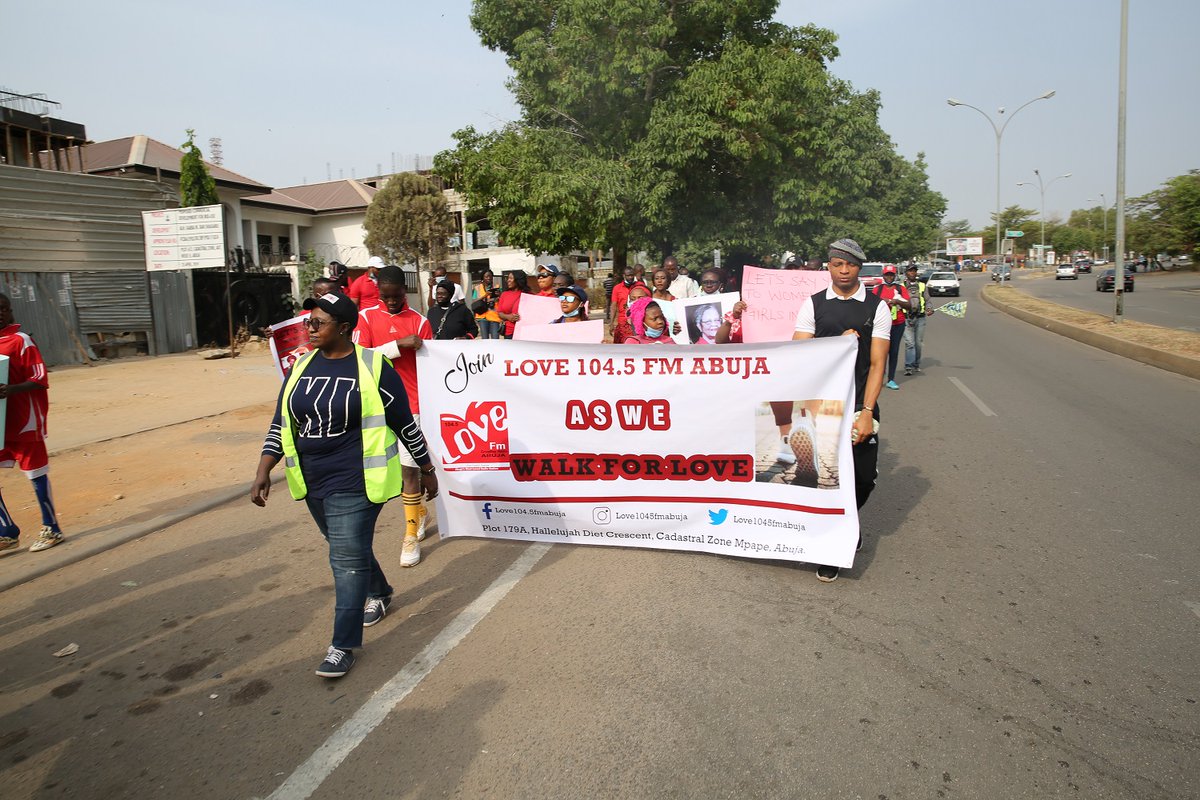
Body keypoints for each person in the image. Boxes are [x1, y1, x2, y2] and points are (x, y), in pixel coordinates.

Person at [251, 291, 437, 679]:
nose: (309, 328)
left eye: (318, 322)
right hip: (311, 480)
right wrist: (263, 469)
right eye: (308, 321)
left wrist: (426, 467)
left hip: (357, 480)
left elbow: (403, 422)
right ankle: (380, 591)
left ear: (345, 328)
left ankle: (342, 645)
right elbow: (281, 422)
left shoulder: (373, 366)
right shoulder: (301, 366)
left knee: (345, 560)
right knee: (344, 546)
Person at [792, 238, 889, 582]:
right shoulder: (813, 304)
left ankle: (850, 520)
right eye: (837, 264)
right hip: (822, 405)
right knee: (825, 479)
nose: (844, 271)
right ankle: (832, 546)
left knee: (863, 478)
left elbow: (877, 365)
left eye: (850, 265)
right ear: (829, 267)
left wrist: (868, 411)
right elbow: (800, 353)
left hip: (859, 403)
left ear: (859, 267)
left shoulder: (877, 307)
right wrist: (836, 343)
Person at [353, 266, 433, 568]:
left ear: (405, 291)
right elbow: (358, 359)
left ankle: (410, 534)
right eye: (385, 296)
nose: (391, 302)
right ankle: (419, 512)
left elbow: (431, 367)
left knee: (410, 471)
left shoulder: (420, 322)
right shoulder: (365, 318)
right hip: (374, 406)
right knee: (389, 473)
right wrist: (397, 346)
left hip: (412, 406)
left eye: (396, 296)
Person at [0, 295, 62, 552]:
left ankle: (52, 527)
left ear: (10, 311)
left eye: (3, 309)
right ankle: (6, 531)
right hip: (1, 422)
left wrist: (11, 389)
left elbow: (39, 378)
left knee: (36, 473)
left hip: (24, 421)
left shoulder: (21, 340)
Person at [872, 265, 911, 389]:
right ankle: (879, 377)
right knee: (880, 352)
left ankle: (891, 379)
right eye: (887, 275)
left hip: (898, 324)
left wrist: (897, 301)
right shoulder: (877, 290)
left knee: (893, 351)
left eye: (891, 275)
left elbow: (909, 305)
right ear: (883, 276)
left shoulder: (900, 289)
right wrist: (882, 301)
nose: (889, 277)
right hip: (881, 325)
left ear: (895, 276)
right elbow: (870, 306)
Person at [901, 264, 932, 376]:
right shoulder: (901, 286)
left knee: (918, 343)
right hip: (906, 318)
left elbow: (928, 300)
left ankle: (916, 364)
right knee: (910, 343)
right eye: (910, 271)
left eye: (914, 271)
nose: (912, 273)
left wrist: (929, 308)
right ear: (906, 273)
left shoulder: (922, 286)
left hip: (920, 318)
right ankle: (908, 366)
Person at [471, 269, 502, 340]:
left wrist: (500, 295)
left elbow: (503, 300)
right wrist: (485, 295)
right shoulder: (477, 288)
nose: (489, 278)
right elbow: (474, 301)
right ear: (482, 278)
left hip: (494, 316)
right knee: (485, 340)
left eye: (490, 276)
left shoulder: (497, 287)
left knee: (495, 339)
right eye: (486, 276)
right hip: (482, 316)